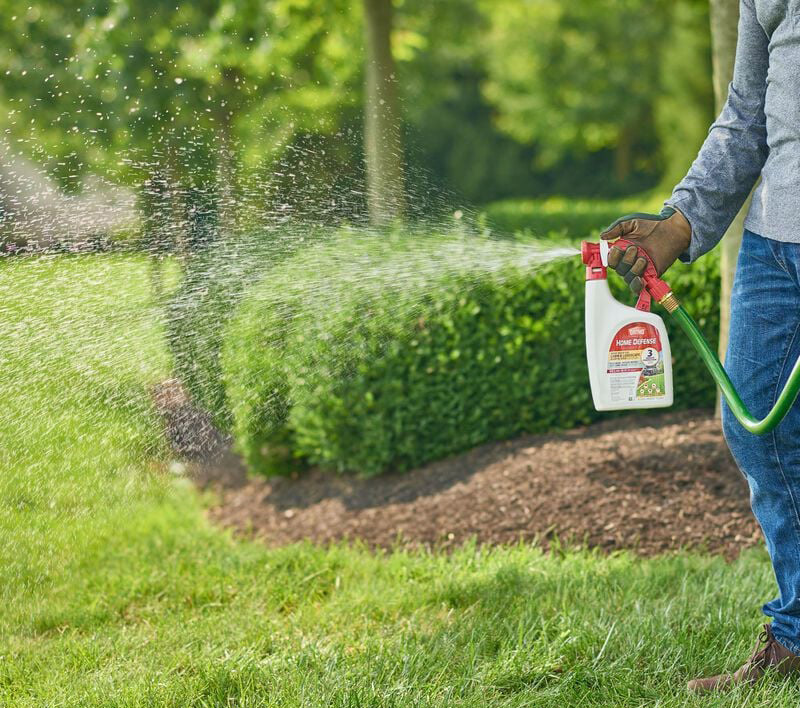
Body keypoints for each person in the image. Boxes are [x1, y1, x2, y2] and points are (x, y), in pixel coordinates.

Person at [599, 0, 800, 694]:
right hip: (776, 242)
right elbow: (747, 111)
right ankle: (798, 637)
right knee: (758, 429)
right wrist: (678, 226)